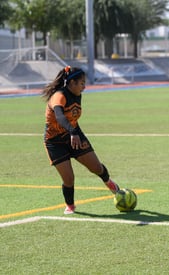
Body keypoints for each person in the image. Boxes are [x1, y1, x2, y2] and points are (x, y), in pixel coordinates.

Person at [42, 66, 120, 215]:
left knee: (96, 167)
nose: (84, 86)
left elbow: (72, 118)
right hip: (55, 142)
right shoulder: (59, 96)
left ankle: (109, 183)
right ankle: (70, 205)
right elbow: (60, 117)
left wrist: (73, 132)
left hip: (74, 134)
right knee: (69, 178)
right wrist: (72, 132)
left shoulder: (77, 94)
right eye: (82, 83)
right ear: (72, 83)